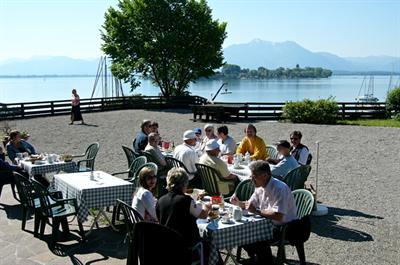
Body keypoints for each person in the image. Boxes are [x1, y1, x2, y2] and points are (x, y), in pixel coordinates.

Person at [230, 160, 297, 265]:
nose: (251, 179)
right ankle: (259, 258)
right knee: (241, 232)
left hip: (285, 227)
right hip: (267, 223)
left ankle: (265, 261)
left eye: (254, 176)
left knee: (253, 236)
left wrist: (256, 211)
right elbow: (250, 205)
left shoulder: (279, 188)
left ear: (265, 175)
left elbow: (278, 216)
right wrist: (238, 203)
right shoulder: (259, 186)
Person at [156, 168, 222, 265]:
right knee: (210, 242)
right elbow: (203, 215)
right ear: (185, 184)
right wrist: (207, 206)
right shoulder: (185, 200)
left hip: (167, 243)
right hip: (185, 244)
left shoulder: (160, 201)